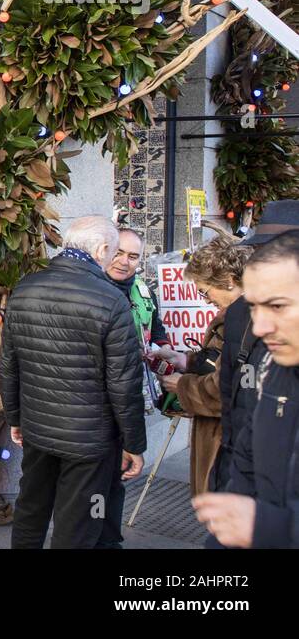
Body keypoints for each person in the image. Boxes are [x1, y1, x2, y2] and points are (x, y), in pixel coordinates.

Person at [0, 216, 146, 549]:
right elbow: (125, 385)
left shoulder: (25, 288)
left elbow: (9, 364)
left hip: (38, 428)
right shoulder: (112, 301)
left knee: (31, 508)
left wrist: (16, 418)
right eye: (113, 253)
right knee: (80, 520)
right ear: (102, 249)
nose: (115, 261)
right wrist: (134, 443)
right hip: (90, 440)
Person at [193, 229, 299, 548]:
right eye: (253, 307)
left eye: (278, 306)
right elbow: (246, 460)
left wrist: (271, 528)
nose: (262, 327)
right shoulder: (275, 367)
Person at [149, 236, 249, 496]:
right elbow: (218, 359)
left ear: (228, 281)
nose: (205, 300)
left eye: (205, 291)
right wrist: (186, 360)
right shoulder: (239, 313)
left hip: (228, 442)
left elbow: (227, 388)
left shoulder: (244, 319)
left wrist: (182, 386)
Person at [96, 226, 168, 548]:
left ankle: (109, 539)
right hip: (95, 406)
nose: (124, 262)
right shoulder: (91, 290)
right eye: (119, 252)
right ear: (104, 251)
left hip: (130, 399)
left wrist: (158, 352)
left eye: (133, 256)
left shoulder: (144, 292)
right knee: (92, 484)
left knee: (116, 479)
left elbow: (160, 333)